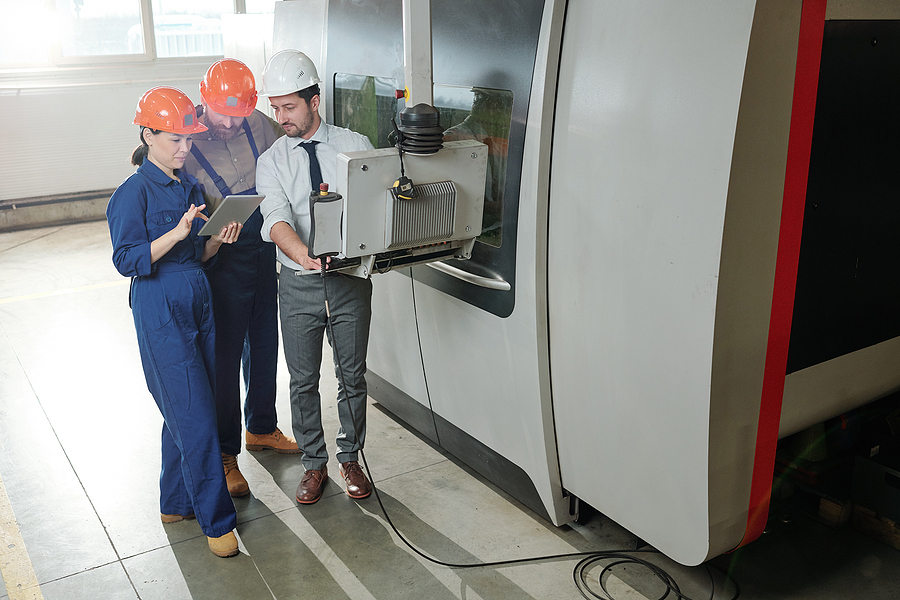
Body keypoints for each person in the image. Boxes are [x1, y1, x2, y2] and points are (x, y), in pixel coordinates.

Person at [106, 86, 243, 557]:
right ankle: (218, 522)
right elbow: (126, 260)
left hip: (196, 295)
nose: (186, 148)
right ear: (148, 134)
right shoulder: (131, 193)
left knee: (188, 405)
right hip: (159, 304)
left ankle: (175, 502)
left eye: (189, 139)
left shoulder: (189, 187)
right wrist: (176, 232)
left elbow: (195, 255)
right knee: (196, 415)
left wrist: (216, 240)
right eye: (175, 139)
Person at [255, 50, 375, 505]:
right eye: (275, 107)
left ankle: (350, 458)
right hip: (298, 282)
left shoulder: (354, 145)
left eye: (289, 107)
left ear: (315, 100)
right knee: (303, 379)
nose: (280, 116)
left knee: (352, 376)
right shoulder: (272, 162)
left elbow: (376, 206)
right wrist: (303, 255)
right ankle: (313, 463)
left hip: (348, 280)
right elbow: (275, 217)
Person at [182, 58, 298, 499]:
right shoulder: (185, 140)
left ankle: (262, 427)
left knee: (266, 341)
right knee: (225, 357)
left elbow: (289, 143)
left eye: (240, 113)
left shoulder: (259, 123)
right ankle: (227, 452)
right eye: (221, 113)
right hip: (221, 256)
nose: (231, 122)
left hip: (263, 245)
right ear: (204, 102)